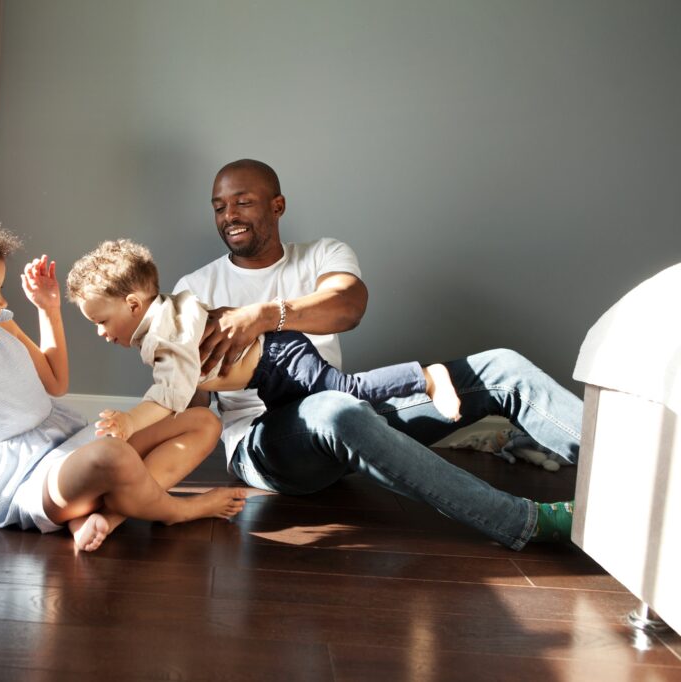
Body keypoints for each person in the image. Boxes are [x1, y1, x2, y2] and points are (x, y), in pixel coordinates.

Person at [173, 159, 580, 548]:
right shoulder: (194, 289)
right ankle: (526, 522)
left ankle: (635, 485)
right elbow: (193, 409)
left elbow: (348, 307)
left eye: (242, 202)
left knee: (502, 367)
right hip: (266, 444)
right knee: (334, 408)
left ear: (277, 206)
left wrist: (264, 316)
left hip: (353, 413)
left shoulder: (323, 254)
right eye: (219, 207)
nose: (229, 216)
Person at [0, 209, 245, 553]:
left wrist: (48, 309)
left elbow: (56, 382)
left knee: (203, 421)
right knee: (115, 454)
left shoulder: (2, 321)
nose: (0, 301)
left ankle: (106, 517)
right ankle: (177, 511)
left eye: (1, 289)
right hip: (30, 477)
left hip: (68, 441)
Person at [65, 238, 463, 441]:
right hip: (265, 377)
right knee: (291, 423)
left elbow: (169, 394)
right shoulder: (164, 316)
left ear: (134, 305)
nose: (101, 333)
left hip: (280, 357)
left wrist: (130, 422)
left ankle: (426, 376)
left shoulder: (167, 334)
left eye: (101, 321)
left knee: (345, 388)